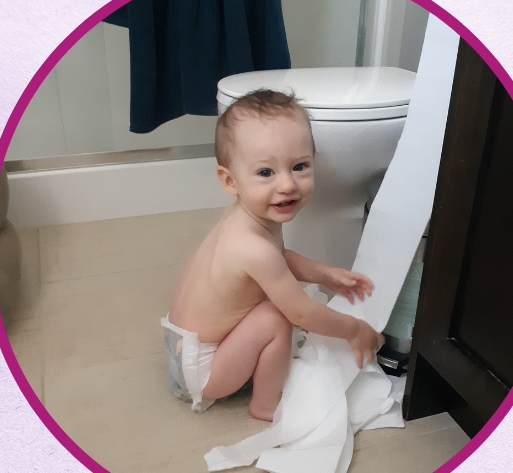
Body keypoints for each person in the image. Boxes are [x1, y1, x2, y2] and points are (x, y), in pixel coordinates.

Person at [164, 89, 384, 421]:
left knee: (272, 304)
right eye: (266, 173)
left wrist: (324, 274)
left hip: (179, 346)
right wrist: (354, 330)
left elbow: (280, 256)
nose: (287, 185)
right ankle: (265, 404)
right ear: (229, 180)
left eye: (299, 166)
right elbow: (303, 314)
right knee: (276, 317)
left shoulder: (240, 221)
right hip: (203, 372)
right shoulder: (253, 249)